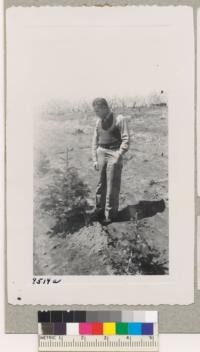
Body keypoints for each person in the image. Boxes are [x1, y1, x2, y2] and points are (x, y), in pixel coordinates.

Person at [91, 97, 130, 224]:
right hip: (101, 152)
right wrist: (94, 159)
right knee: (101, 184)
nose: (96, 113)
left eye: (97, 111)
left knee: (112, 186)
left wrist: (119, 154)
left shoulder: (120, 119)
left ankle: (111, 214)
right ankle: (99, 210)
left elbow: (126, 139)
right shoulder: (98, 122)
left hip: (114, 153)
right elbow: (94, 141)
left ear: (104, 108)